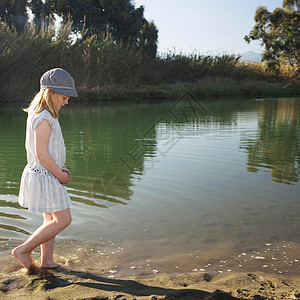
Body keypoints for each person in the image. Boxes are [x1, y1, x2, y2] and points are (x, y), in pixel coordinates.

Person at [12, 68, 78, 271]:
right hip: (44, 175)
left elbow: (47, 151)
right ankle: (23, 250)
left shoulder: (45, 115)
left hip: (46, 173)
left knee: (50, 219)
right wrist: (59, 175)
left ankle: (47, 261)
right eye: (64, 97)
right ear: (50, 93)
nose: (66, 102)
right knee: (64, 219)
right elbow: (41, 154)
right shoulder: (43, 118)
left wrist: (59, 167)